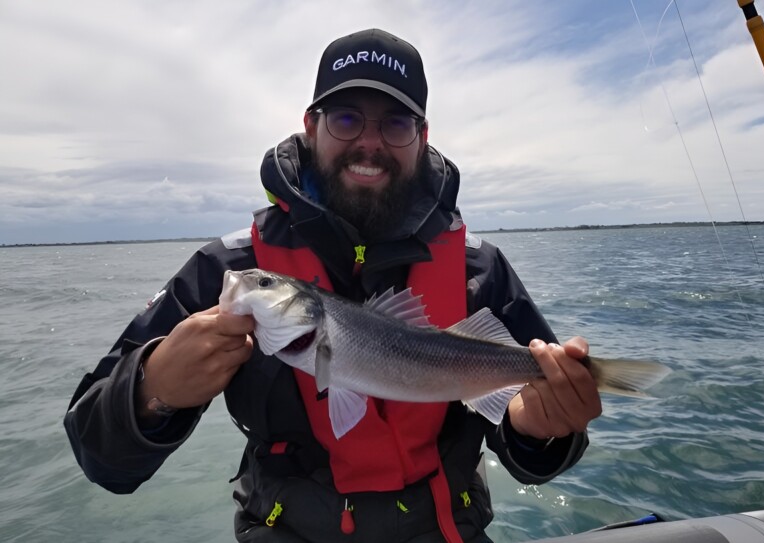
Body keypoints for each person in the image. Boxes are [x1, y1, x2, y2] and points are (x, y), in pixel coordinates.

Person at [64, 28, 602, 543]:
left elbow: (542, 450)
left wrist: (538, 431)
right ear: (311, 126)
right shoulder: (229, 264)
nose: (369, 143)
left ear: (421, 138)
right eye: (346, 118)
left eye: (395, 124)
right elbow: (99, 458)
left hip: (448, 531)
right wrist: (152, 391)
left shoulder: (478, 269)